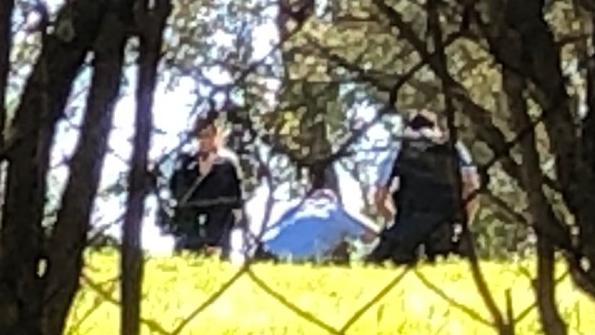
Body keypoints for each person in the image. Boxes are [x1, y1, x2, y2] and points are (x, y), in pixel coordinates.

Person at [366, 110, 480, 265]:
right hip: (445, 223)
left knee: (378, 265)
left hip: (409, 222)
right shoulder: (454, 147)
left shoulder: (400, 148)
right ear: (436, 128)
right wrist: (464, 224)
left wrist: (391, 220)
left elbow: (379, 196)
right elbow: (472, 186)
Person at [161, 110, 245, 260]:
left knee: (218, 234)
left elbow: (235, 196)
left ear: (216, 137)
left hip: (219, 217)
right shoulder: (186, 162)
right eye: (200, 136)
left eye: (207, 136)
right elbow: (177, 190)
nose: (203, 141)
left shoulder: (226, 164)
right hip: (190, 215)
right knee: (189, 241)